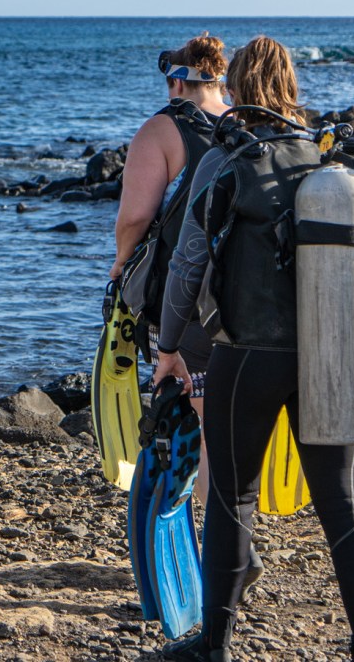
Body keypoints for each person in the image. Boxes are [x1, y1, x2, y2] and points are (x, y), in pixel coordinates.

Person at [152, 36, 354, 662]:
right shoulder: (331, 165)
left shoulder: (227, 161)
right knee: (344, 503)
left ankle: (215, 646)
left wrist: (170, 345)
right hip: (330, 354)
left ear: (233, 88)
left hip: (248, 354)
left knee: (232, 497)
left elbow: (186, 266)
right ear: (291, 88)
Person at [112, 35, 229, 502]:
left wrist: (122, 261)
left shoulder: (162, 130)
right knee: (233, 420)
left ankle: (228, 547)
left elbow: (136, 216)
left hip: (185, 296)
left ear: (176, 82)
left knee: (203, 422)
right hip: (248, 295)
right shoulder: (252, 126)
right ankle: (235, 535)